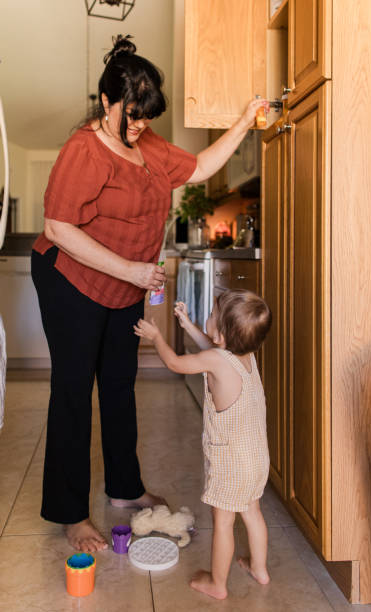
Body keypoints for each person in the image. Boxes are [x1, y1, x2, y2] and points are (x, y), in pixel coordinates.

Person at [31, 34, 270, 554]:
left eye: (146, 116)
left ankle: (125, 488)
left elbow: (201, 166)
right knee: (74, 390)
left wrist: (245, 120)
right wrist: (132, 271)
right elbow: (58, 227)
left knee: (119, 383)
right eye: (131, 115)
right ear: (107, 102)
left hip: (125, 282)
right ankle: (70, 512)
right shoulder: (84, 149)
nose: (139, 126)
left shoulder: (148, 143)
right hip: (71, 278)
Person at [134, 289, 272, 600]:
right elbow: (213, 351)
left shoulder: (215, 358)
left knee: (222, 522)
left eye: (210, 315)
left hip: (231, 462)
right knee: (252, 512)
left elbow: (175, 362)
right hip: (256, 457)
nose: (206, 316)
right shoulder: (245, 356)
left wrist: (157, 336)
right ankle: (259, 568)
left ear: (222, 333)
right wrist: (188, 324)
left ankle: (217, 583)